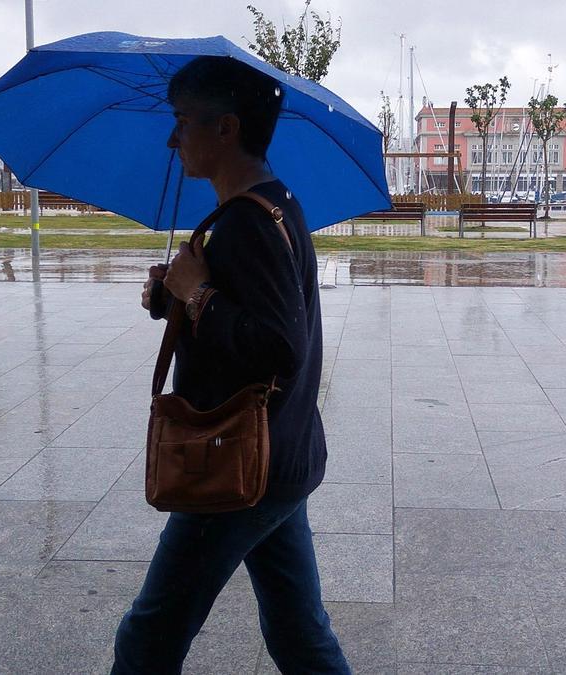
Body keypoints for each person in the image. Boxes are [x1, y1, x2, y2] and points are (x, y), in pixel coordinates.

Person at [111, 56, 351, 674]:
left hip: (237, 462)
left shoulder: (248, 224)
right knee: (299, 633)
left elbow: (280, 347)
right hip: (276, 454)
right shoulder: (272, 205)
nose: (172, 137)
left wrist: (198, 296)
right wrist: (178, 299)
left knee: (149, 636)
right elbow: (252, 325)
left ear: (226, 129)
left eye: (182, 121)